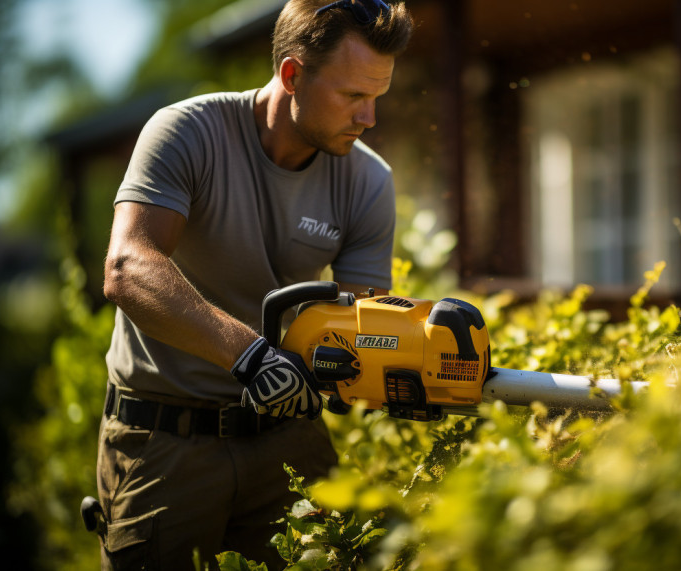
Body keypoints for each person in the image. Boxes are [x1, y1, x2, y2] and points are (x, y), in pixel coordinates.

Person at [96, 0, 414, 568]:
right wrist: (250, 356)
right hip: (164, 437)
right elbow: (127, 268)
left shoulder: (368, 181)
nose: (369, 117)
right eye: (352, 96)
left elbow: (363, 327)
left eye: (377, 96)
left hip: (287, 435)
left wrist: (417, 363)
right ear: (292, 75)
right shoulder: (188, 132)